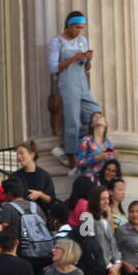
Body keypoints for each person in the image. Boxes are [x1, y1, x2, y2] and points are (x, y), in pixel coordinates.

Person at [47, 10, 100, 169]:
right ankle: (71, 159)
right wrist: (73, 58)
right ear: (69, 26)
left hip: (82, 83)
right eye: (77, 27)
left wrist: (88, 59)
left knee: (95, 115)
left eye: (81, 28)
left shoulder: (83, 40)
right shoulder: (57, 42)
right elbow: (53, 68)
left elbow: (87, 68)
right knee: (72, 122)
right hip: (68, 85)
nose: (79, 31)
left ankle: (81, 148)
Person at [75, 110, 116, 180]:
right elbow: (79, 163)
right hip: (89, 179)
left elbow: (110, 163)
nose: (98, 116)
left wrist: (113, 158)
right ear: (91, 124)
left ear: (106, 124)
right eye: (95, 116)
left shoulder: (109, 143)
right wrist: (97, 157)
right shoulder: (85, 140)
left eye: (101, 116)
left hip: (105, 179)